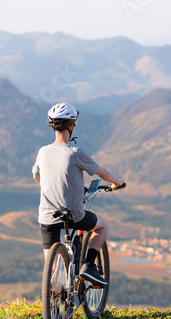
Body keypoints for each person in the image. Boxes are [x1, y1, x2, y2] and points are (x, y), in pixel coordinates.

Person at [32, 103, 124, 286]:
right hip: (74, 214)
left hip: (46, 217)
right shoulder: (75, 153)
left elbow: (37, 176)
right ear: (71, 125)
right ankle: (88, 266)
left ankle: (55, 304)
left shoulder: (43, 152)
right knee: (102, 226)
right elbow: (102, 173)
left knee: (51, 268)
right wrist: (117, 183)